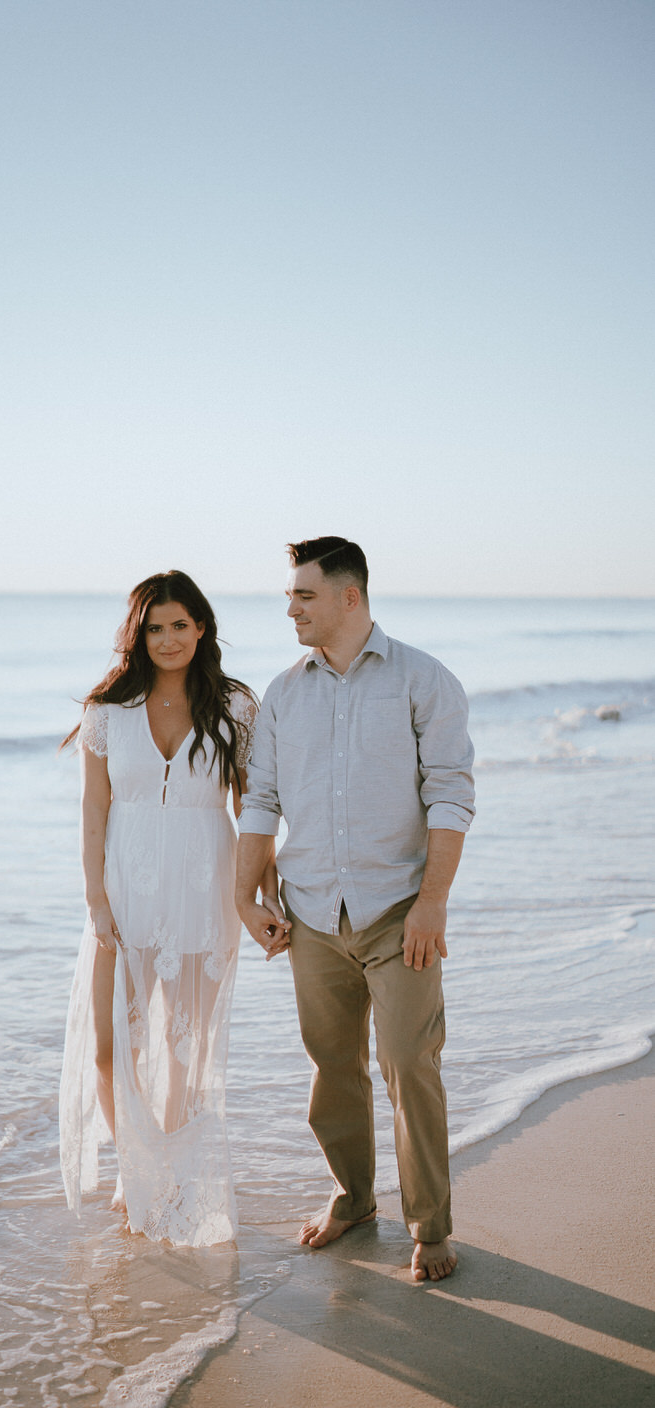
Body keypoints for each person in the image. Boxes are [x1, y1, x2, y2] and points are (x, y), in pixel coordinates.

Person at [235, 537, 475, 1282]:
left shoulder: (422, 680)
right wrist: (242, 896)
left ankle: (429, 1225)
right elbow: (262, 801)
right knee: (332, 1065)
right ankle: (352, 1197)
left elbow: (450, 793)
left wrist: (431, 903)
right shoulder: (284, 692)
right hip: (309, 913)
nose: (290, 608)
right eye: (288, 596)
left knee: (408, 1062)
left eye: (303, 595)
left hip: (398, 910)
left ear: (349, 596)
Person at [58, 570, 277, 1246]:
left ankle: (168, 1176)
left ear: (202, 628)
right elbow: (94, 807)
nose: (168, 638)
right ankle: (136, 1166)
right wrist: (95, 896)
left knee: (185, 1048)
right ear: (137, 635)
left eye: (180, 625)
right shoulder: (106, 711)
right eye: (154, 627)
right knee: (108, 1047)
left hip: (204, 885)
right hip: (123, 889)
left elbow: (252, 805)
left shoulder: (235, 706)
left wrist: (260, 892)